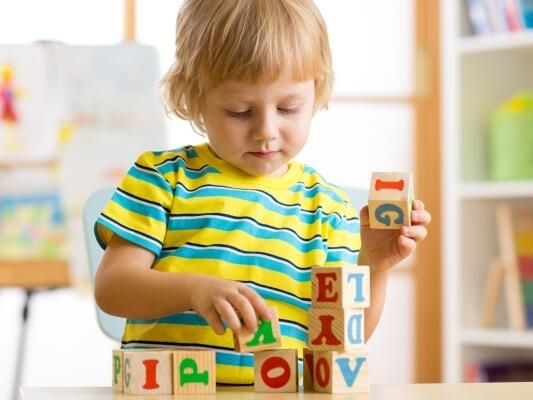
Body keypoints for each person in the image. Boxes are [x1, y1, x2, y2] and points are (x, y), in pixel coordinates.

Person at [94, 0, 431, 385]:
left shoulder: (329, 208)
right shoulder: (163, 179)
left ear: (317, 92)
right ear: (193, 96)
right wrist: (193, 290)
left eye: (288, 108)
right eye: (239, 111)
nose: (266, 130)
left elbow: (341, 339)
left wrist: (375, 265)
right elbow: (112, 288)